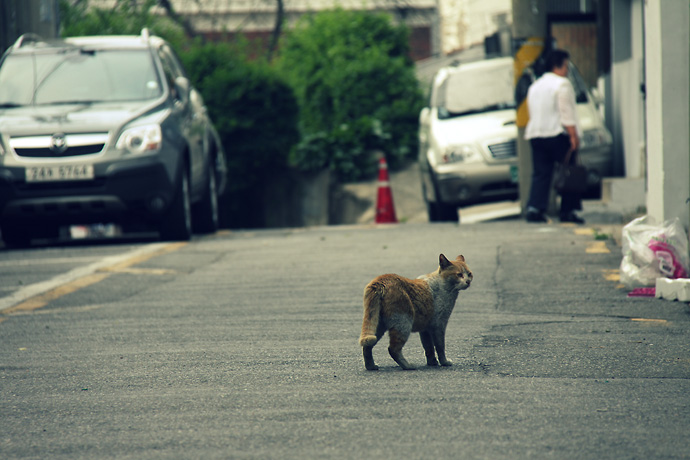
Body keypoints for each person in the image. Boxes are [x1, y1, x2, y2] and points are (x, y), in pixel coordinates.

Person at [524, 49, 585, 224]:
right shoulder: (562, 84)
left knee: (541, 173)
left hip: (536, 134)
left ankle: (535, 208)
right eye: (566, 65)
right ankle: (568, 211)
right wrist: (573, 135)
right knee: (568, 172)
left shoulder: (535, 86)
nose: (566, 70)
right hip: (558, 134)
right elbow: (565, 111)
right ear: (557, 66)